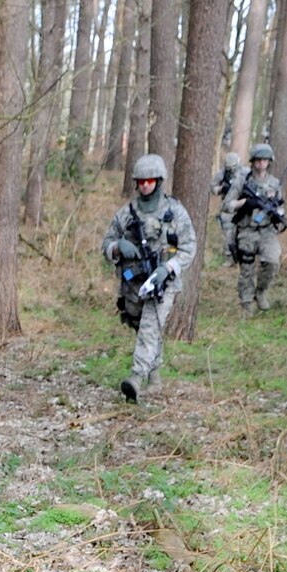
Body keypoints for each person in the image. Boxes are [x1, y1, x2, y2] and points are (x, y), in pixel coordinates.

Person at [101, 152, 197, 403]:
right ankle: (154, 372)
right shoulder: (127, 213)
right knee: (139, 324)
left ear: (159, 181)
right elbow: (107, 242)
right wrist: (118, 246)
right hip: (133, 283)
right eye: (141, 181)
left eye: (150, 181)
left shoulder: (175, 212)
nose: (145, 185)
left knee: (150, 326)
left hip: (163, 283)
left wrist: (169, 267)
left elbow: (189, 247)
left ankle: (136, 377)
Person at [227, 143, 287, 313]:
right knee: (246, 269)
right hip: (246, 230)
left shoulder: (275, 183)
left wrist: (279, 214)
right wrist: (245, 203)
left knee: (272, 260)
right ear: (253, 161)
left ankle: (260, 291)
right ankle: (246, 303)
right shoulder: (242, 182)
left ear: (269, 162)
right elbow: (227, 205)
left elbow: (280, 204)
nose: (261, 163)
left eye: (265, 160)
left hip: (267, 230)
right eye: (258, 160)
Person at [212, 149, 242, 258]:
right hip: (228, 208)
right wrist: (221, 189)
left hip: (242, 206)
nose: (232, 170)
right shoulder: (222, 173)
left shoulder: (244, 173)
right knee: (228, 234)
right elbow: (212, 188)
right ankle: (229, 256)